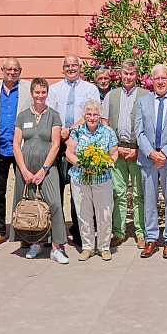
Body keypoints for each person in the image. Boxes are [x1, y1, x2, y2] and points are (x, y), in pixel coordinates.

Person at [134, 64, 167, 259]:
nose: (160, 82)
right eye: (156, 78)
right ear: (152, 81)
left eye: (163, 78)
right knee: (149, 200)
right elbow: (138, 132)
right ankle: (151, 239)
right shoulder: (143, 101)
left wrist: (164, 153)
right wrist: (151, 153)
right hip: (148, 160)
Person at [10, 77, 67, 259]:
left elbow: (56, 144)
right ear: (32, 93)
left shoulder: (54, 115)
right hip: (25, 166)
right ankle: (35, 244)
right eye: (37, 92)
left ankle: (57, 248)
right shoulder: (23, 116)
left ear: (47, 94)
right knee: (30, 205)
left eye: (43, 92)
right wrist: (24, 171)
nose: (40, 96)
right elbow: (16, 144)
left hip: (47, 166)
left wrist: (43, 169)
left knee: (55, 203)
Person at [49, 55, 100, 247]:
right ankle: (56, 232)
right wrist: (60, 132)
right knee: (56, 190)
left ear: (80, 67)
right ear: (63, 68)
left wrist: (70, 130)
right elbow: (51, 114)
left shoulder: (90, 89)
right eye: (67, 66)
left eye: (74, 65)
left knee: (79, 191)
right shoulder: (54, 90)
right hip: (57, 144)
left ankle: (80, 232)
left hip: (81, 145)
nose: (71, 68)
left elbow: (91, 114)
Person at [0, 58, 32, 248]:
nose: (12, 72)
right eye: (9, 69)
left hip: (22, 149)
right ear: (2, 70)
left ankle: (25, 231)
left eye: (16, 69)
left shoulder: (28, 88)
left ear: (20, 70)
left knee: (25, 193)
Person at [103, 59, 147, 247]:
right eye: (125, 73)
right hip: (117, 151)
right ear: (120, 75)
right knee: (118, 193)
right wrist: (115, 148)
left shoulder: (146, 95)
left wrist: (138, 150)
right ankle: (118, 231)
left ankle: (141, 232)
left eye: (132, 74)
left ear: (137, 75)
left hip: (138, 151)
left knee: (139, 194)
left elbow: (150, 126)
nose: (128, 77)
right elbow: (105, 124)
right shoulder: (111, 96)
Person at [66, 97, 117, 262]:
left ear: (100, 115)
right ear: (84, 115)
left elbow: (114, 153)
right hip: (80, 178)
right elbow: (69, 153)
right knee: (83, 213)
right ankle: (87, 247)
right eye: (89, 114)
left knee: (104, 213)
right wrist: (82, 164)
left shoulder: (108, 132)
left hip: (102, 178)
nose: (92, 117)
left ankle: (104, 247)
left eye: (95, 114)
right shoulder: (77, 131)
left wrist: (105, 164)